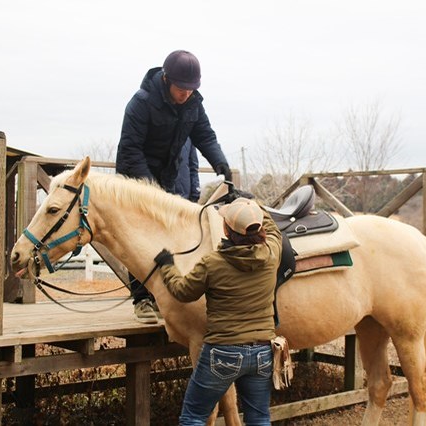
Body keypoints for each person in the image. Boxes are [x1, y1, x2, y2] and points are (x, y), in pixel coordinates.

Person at [116, 49, 232, 323]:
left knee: (170, 232)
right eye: (182, 89)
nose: (186, 94)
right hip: (135, 174)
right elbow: (130, 150)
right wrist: (150, 191)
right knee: (141, 235)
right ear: (167, 80)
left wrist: (221, 165)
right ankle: (142, 299)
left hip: (167, 173)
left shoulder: (193, 103)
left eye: (192, 89)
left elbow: (205, 135)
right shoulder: (141, 103)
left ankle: (163, 294)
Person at [153, 197, 282, 425]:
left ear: (226, 229)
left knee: (193, 417)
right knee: (260, 418)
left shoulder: (213, 263)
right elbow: (275, 233)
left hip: (223, 352)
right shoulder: (271, 255)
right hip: (263, 352)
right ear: (260, 227)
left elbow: (183, 291)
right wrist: (256, 206)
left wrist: (167, 266)